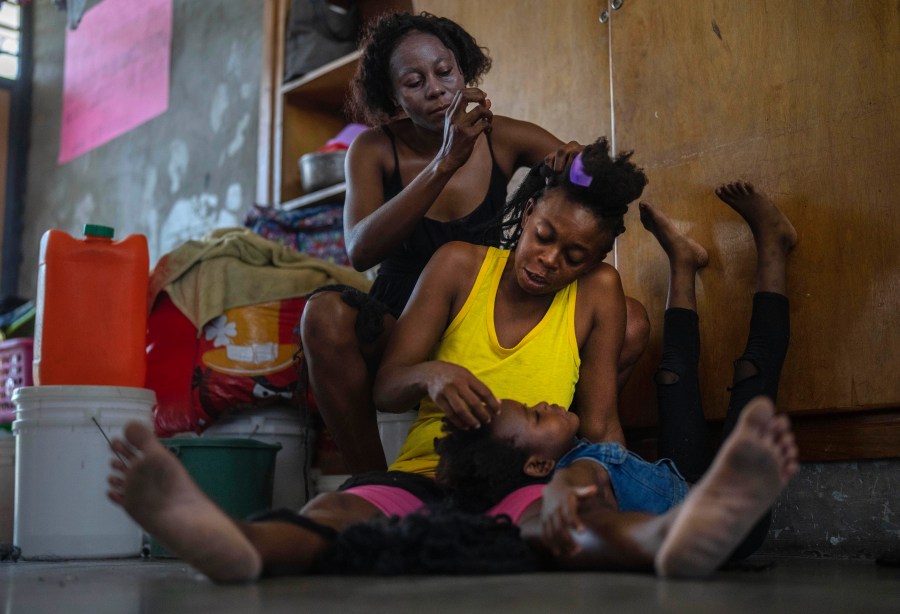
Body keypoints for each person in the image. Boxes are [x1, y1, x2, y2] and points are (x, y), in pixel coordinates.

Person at [104, 180, 797, 581]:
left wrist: (591, 474)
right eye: (545, 235)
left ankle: (666, 543)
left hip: (526, 477)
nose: (550, 260)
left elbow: (600, 425)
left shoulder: (595, 293)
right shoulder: (462, 265)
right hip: (430, 468)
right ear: (526, 216)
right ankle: (241, 546)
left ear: (592, 262)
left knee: (568, 521)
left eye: (573, 255)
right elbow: (387, 386)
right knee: (336, 517)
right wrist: (432, 375)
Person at [298, 11, 649, 474]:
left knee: (633, 322)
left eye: (445, 71)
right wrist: (444, 162)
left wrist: (576, 159)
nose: (436, 88)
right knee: (324, 316)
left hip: (490, 309)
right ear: (393, 95)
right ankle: (372, 481)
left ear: (464, 71)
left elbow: (586, 181)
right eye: (414, 81)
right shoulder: (374, 150)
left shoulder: (501, 136)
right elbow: (360, 248)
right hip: (406, 320)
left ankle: (555, 457)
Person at [435, 180, 799, 572]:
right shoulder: (572, 471)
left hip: (675, 482)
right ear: (540, 468)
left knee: (670, 377)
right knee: (751, 371)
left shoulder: (564, 462)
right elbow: (578, 479)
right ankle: (774, 247)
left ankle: (682, 264)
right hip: (730, 523)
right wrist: (564, 488)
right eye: (535, 414)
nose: (542, 402)